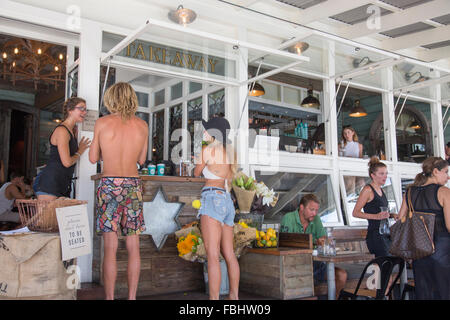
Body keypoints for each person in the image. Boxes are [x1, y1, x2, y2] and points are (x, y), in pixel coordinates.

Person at [89, 82, 148, 300]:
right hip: (132, 185)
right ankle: (132, 298)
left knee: (110, 247)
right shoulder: (142, 125)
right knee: (133, 245)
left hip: (109, 185)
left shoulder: (102, 123)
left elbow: (93, 157)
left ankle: (110, 298)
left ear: (110, 98)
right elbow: (141, 159)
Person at [194, 117, 239, 300]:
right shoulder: (230, 153)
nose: (204, 132)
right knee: (229, 253)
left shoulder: (207, 150)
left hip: (212, 198)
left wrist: (196, 160)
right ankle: (234, 297)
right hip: (227, 201)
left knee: (212, 255)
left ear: (213, 133)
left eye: (206, 130)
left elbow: (196, 172)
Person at [397, 157, 450, 300]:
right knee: (444, 292)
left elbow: (400, 219)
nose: (448, 176)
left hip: (419, 252)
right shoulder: (444, 192)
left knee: (424, 293)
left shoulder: (409, 192)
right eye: (445, 172)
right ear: (435, 171)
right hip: (443, 252)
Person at [281, 194, 348, 298]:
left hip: (315, 263)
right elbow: (285, 243)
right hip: (295, 265)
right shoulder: (288, 218)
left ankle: (334, 298)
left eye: (316, 210)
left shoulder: (316, 219)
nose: (315, 213)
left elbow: (324, 239)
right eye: (311, 209)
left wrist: (324, 241)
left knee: (341, 275)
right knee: (304, 281)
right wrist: (315, 242)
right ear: (302, 207)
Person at [33, 97, 91, 200]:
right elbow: (67, 162)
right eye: (81, 108)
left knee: (50, 216)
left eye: (85, 109)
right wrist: (80, 151)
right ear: (70, 110)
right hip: (50, 182)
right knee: (46, 216)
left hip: (61, 182)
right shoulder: (62, 131)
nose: (84, 112)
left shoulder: (71, 131)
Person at [352, 157, 393, 257]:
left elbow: (380, 212)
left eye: (386, 173)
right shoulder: (368, 190)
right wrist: (376, 216)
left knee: (390, 265)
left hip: (385, 233)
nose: (385, 176)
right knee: (383, 264)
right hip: (375, 235)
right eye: (381, 174)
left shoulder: (381, 190)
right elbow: (355, 212)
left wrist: (391, 215)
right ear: (373, 175)